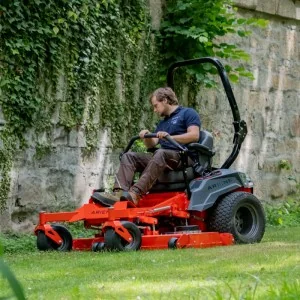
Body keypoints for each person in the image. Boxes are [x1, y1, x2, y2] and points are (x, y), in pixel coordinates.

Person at [96, 87, 201, 206]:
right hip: (163, 158)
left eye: (156, 105)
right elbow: (152, 143)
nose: (155, 110)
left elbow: (194, 135)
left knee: (160, 153)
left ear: (165, 100)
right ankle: (119, 194)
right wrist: (146, 137)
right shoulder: (163, 123)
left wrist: (169, 137)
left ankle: (135, 194)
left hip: (183, 157)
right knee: (129, 156)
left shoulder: (188, 113)